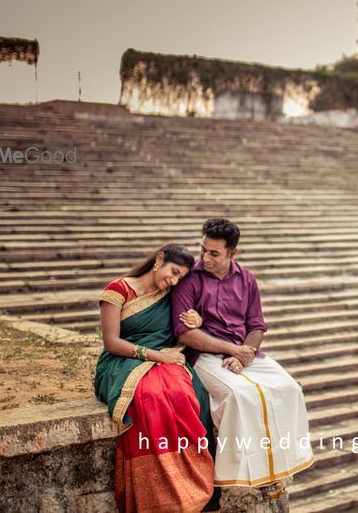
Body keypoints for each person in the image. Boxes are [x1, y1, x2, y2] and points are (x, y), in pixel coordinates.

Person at [172, 218, 314, 498]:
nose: (204, 257)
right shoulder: (190, 279)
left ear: (232, 253)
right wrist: (231, 350)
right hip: (205, 355)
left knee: (289, 389)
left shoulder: (246, 279)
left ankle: (282, 469)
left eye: (214, 253)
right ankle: (245, 474)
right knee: (240, 395)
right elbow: (183, 333)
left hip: (245, 352)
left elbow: (257, 325)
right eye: (203, 250)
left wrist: (244, 355)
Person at [94, 243, 222, 513]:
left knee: (183, 392)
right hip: (122, 362)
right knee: (149, 396)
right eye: (173, 272)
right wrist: (157, 357)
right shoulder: (117, 291)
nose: (173, 281)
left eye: (180, 278)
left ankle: (189, 484)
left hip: (164, 357)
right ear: (159, 259)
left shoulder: (171, 294)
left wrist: (197, 320)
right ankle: (156, 494)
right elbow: (111, 343)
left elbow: (191, 320)